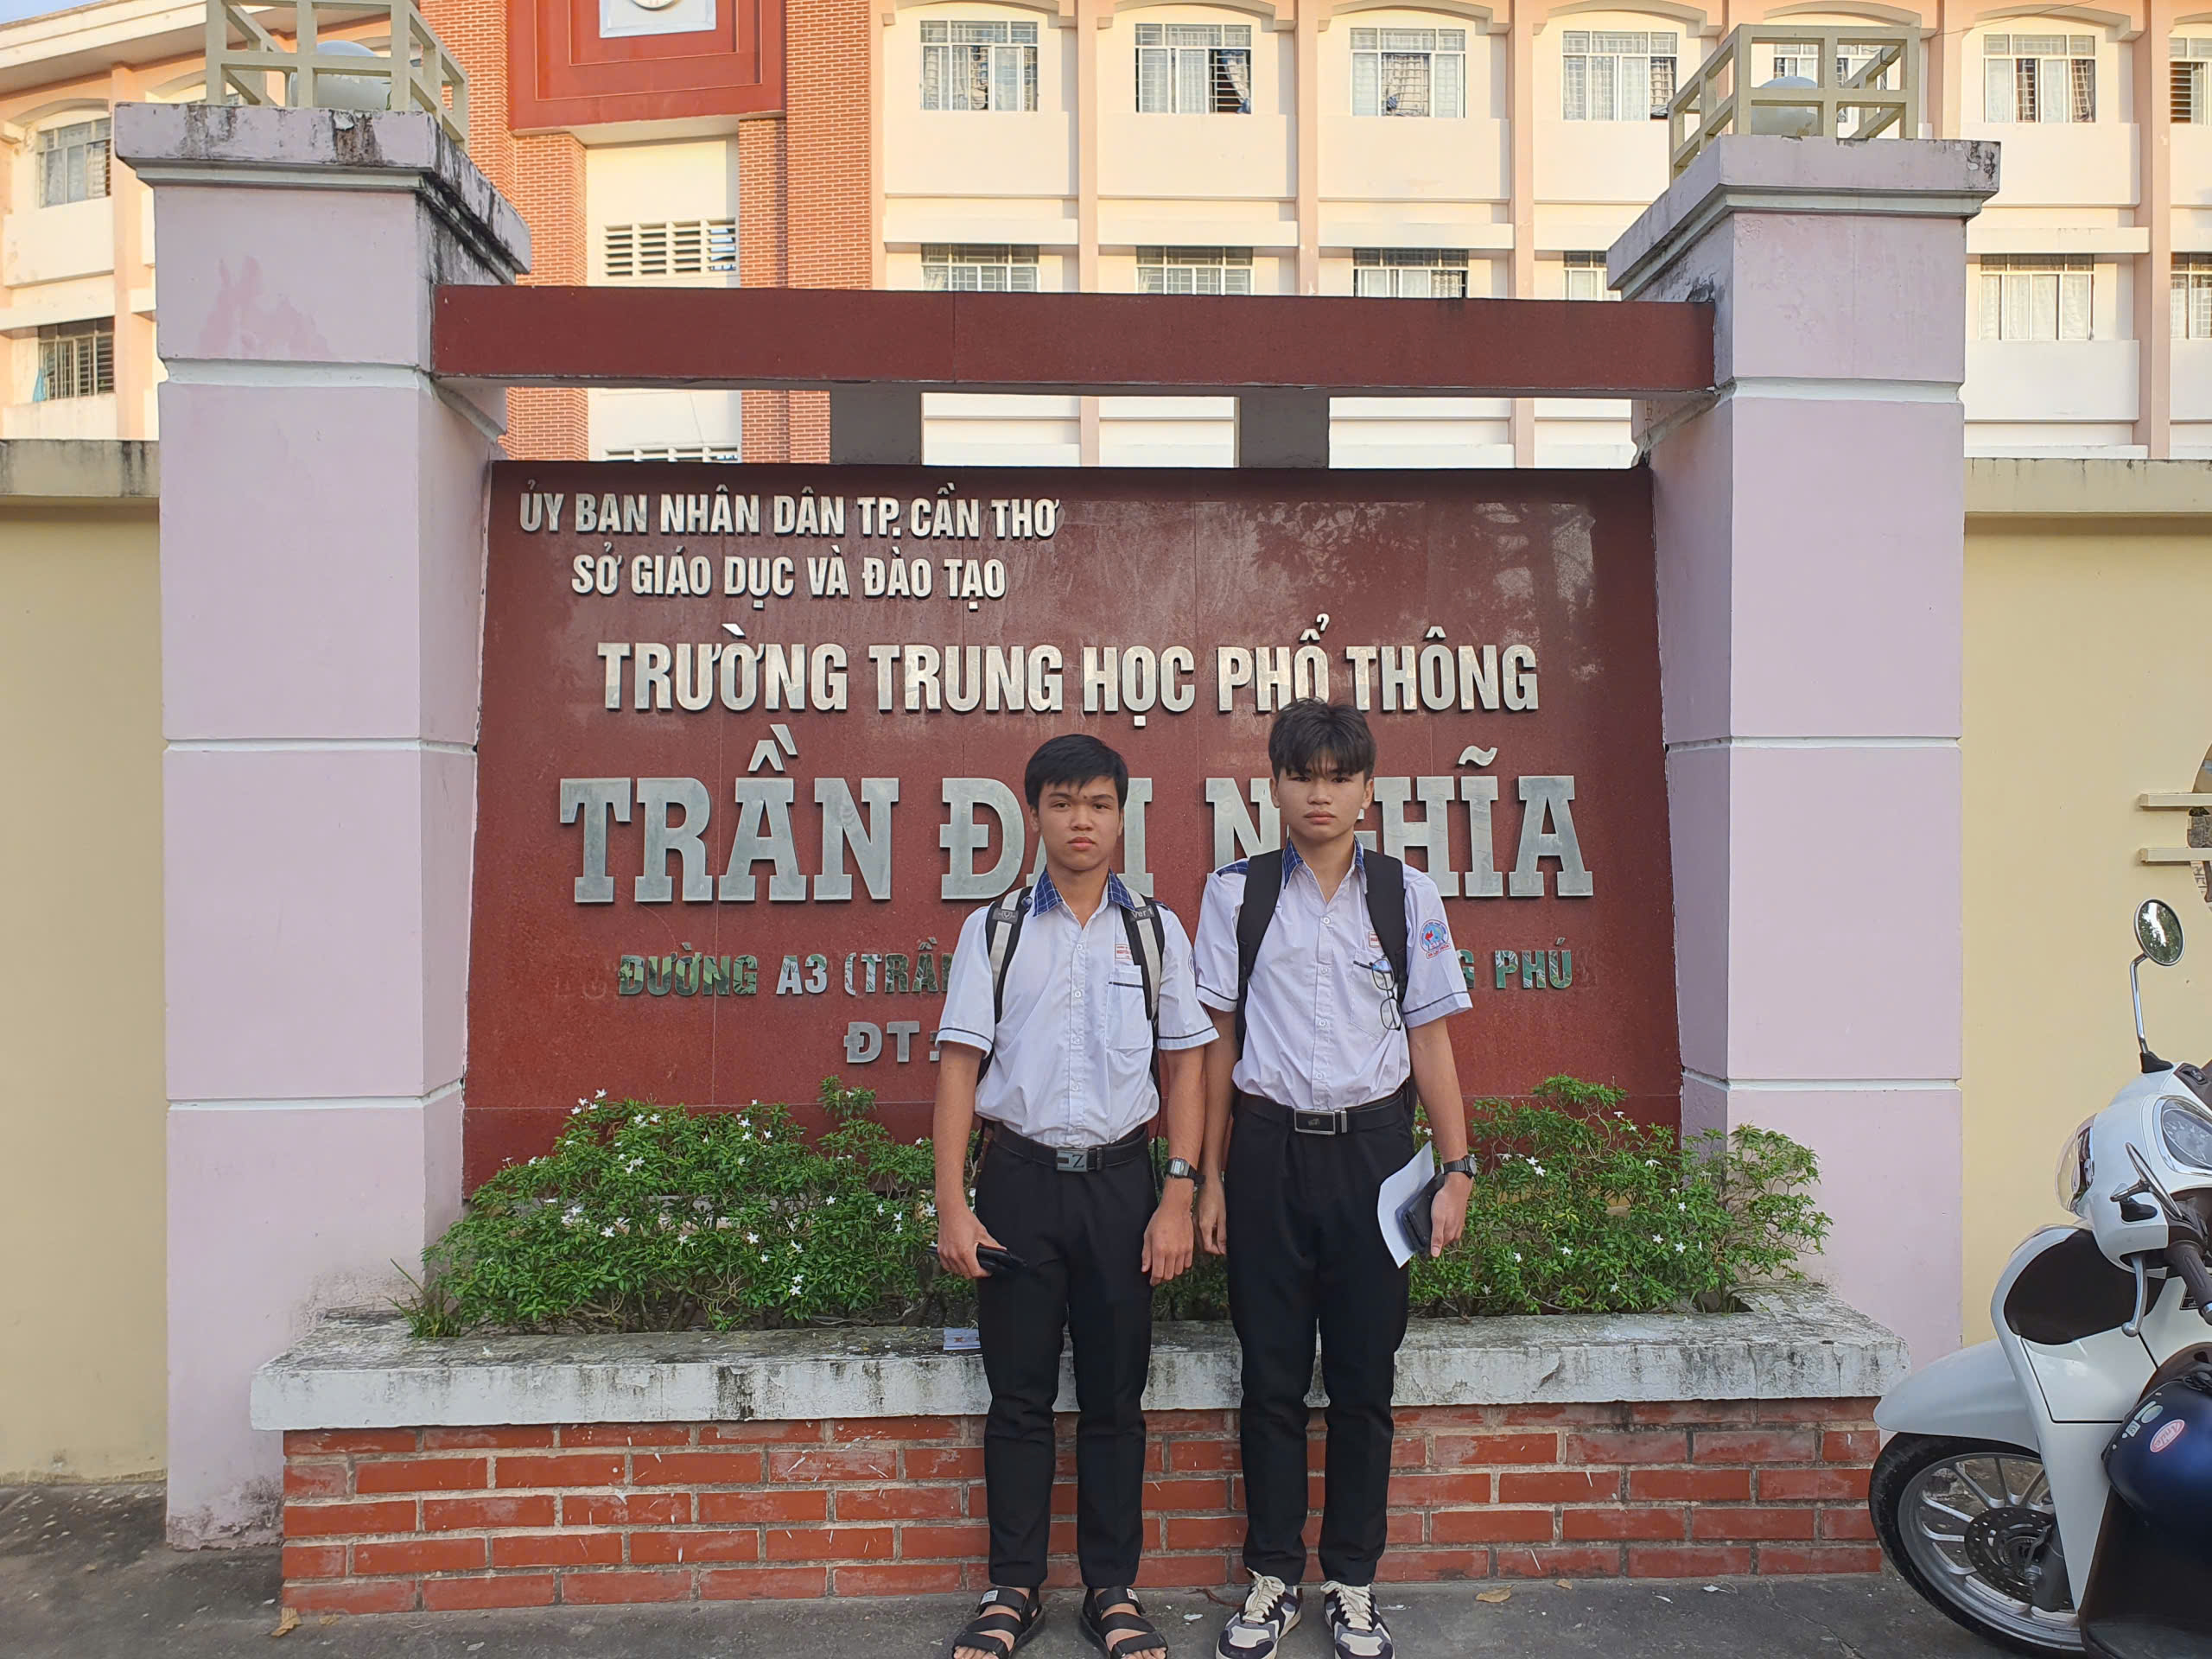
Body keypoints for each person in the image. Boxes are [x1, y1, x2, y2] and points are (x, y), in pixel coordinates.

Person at [1191, 700, 1477, 1659]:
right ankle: (1272, 1578)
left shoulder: (1406, 895)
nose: (1321, 794)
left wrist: (1457, 1168)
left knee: (1363, 1381)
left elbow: (1431, 1039)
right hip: (1267, 1153)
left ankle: (1353, 1582)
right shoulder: (1235, 895)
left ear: (1366, 789)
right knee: (1270, 1380)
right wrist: (1209, 1178)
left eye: (1339, 777)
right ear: (1273, 785)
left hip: (1374, 1159)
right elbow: (1216, 1045)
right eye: (1302, 776)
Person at [932, 734, 1216, 1659]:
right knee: (1017, 1398)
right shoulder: (997, 928)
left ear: (1122, 815)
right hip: (1016, 1182)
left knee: (1114, 1400)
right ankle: (1012, 1588)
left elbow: (1186, 1066)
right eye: (1061, 804)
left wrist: (1177, 1196)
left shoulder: (1155, 929)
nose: (1079, 821)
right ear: (1034, 814)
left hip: (1122, 1189)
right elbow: (959, 1064)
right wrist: (952, 1203)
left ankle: (1111, 1590)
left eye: (1096, 804)